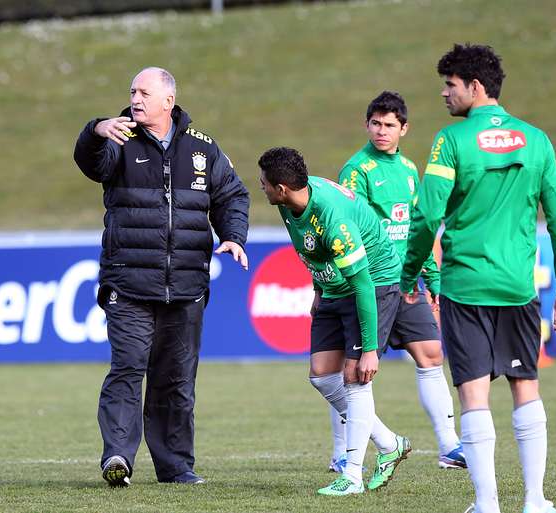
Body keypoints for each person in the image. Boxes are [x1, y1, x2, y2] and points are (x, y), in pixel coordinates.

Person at [400, 44, 556, 513]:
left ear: (474, 87)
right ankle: (535, 501)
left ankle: (487, 504)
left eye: (450, 84)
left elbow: (425, 215)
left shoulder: (451, 141)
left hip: (465, 288)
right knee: (526, 387)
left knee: (473, 392)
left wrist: (409, 271)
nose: (444, 93)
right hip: (518, 288)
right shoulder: (537, 140)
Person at [73, 67, 250, 487]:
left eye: (144, 92)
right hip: (129, 284)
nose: (134, 98)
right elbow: (90, 162)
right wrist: (95, 131)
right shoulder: (118, 140)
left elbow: (232, 195)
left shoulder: (203, 148)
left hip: (186, 286)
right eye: (132, 91)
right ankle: (117, 456)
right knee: (128, 367)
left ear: (168, 100)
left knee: (176, 381)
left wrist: (234, 235)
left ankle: (176, 468)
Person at [258, 147, 411, 496]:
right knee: (323, 376)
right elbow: (311, 250)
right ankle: (390, 444)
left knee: (356, 377)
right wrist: (317, 290)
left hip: (373, 281)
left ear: (281, 187)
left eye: (264, 183)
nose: (261, 187)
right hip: (333, 284)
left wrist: (370, 349)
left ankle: (352, 476)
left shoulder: (332, 218)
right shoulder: (289, 203)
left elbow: (363, 283)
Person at [328, 91, 465, 472]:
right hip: (369, 283)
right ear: (366, 124)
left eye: (389, 125)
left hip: (406, 282)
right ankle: (342, 453)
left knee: (431, 354)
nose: (381, 131)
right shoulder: (356, 170)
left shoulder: (408, 169)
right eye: (375, 123)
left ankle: (449, 446)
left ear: (404, 128)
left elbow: (416, 231)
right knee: (354, 369)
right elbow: (344, 229)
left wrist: (431, 276)